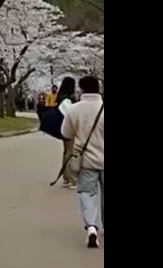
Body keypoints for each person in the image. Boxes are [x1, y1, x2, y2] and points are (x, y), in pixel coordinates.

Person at [61, 76, 104, 248]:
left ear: (81, 89)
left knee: (87, 194)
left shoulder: (74, 109)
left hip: (86, 161)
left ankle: (92, 227)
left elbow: (66, 133)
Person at [56, 77, 78, 188]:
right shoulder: (66, 99)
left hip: (63, 128)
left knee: (66, 152)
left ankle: (66, 177)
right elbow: (70, 114)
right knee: (70, 152)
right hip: (68, 128)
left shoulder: (60, 97)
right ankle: (71, 178)